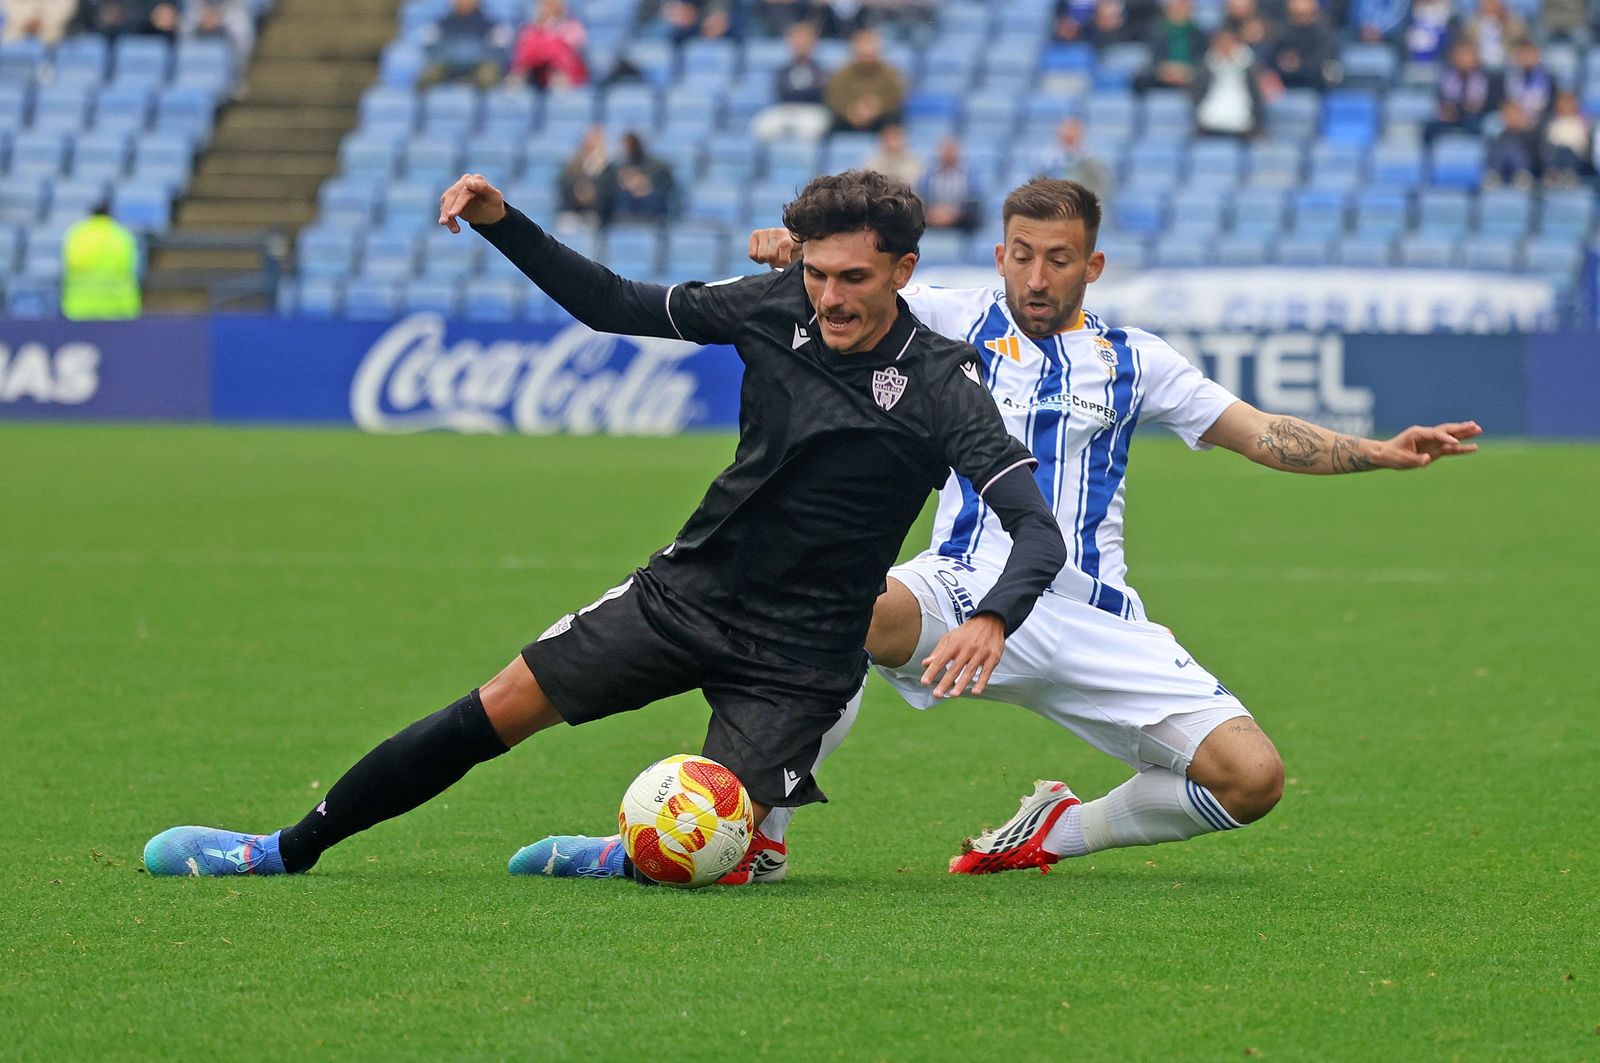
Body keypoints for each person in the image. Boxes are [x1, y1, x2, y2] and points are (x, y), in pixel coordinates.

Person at [520, 178, 1480, 884]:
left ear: (1090, 264)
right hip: (959, 584)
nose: (1035, 271)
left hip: (1091, 614)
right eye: (1020, 252)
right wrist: (790, 252)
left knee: (1252, 780)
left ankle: (1057, 830)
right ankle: (745, 825)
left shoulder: (1138, 361)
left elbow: (1263, 435)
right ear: (998, 255)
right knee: (838, 611)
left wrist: (1381, 452)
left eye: (1057, 256)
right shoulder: (943, 316)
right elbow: (832, 289)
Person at [139, 169, 1067, 880]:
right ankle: (282, 848)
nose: (829, 297)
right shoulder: (774, 305)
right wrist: (505, 224)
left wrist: (989, 617)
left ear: (904, 272)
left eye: (854, 278)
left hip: (802, 654)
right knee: (495, 707)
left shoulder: (946, 385)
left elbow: (1037, 532)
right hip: (688, 592)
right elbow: (612, 304)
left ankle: (637, 850)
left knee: (720, 846)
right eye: (817, 273)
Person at [750, 20, 833, 143]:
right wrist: (804, 93)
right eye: (796, 41)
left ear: (813, 44)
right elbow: (781, 92)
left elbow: (819, 93)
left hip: (812, 111)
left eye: (805, 41)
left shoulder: (821, 71)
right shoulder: (783, 70)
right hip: (786, 109)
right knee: (761, 127)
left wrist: (797, 93)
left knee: (810, 130)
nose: (800, 45)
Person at [61, 202, 141, 320]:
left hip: (81, 305)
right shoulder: (122, 235)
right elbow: (133, 266)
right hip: (117, 305)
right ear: (109, 215)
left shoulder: (77, 234)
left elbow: (70, 263)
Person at [824, 26, 904, 133]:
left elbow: (896, 96)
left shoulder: (890, 74)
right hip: (848, 118)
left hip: (880, 118)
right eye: (863, 55)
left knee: (894, 119)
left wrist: (876, 107)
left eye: (870, 55)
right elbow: (833, 97)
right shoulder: (841, 74)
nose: (866, 58)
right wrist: (851, 110)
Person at [420, 0, 509, 89]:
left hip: (479, 64)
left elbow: (498, 52)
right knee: (428, 75)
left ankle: (484, 101)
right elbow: (431, 49)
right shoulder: (441, 25)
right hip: (448, 64)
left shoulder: (489, 25)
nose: (463, 2)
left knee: (488, 74)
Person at [1194, 28, 1266, 137]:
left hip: (1244, 125)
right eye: (1222, 44)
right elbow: (1196, 93)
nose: (1226, 48)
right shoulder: (1205, 68)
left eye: (1229, 44)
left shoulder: (1251, 68)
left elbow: (1257, 96)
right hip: (1209, 123)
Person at [1426, 39, 1502, 142]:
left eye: (1468, 55)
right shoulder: (1446, 77)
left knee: (1477, 124)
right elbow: (1442, 101)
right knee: (1431, 128)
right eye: (1461, 55)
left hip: (1477, 116)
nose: (1465, 59)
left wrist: (1469, 107)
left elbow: (1489, 104)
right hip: (1451, 116)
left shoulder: (1488, 78)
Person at [597, 131, 676, 224]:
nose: (628, 148)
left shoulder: (658, 167)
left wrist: (644, 185)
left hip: (652, 216)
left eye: (631, 145)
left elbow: (667, 187)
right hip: (623, 217)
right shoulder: (617, 169)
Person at [508, 0, 587, 90]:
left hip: (565, 68)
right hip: (535, 68)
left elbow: (575, 43)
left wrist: (553, 32)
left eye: (552, 4)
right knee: (532, 43)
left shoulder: (572, 25)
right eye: (545, 5)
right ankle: (516, 83)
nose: (548, 8)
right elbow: (524, 41)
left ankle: (560, 86)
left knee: (555, 46)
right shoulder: (530, 28)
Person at [1137, 0, 1209, 91]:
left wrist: (1187, 72)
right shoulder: (1155, 31)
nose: (1182, 9)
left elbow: (1202, 60)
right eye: (1179, 5)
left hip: (1192, 81)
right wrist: (1166, 70)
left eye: (1186, 5)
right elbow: (1152, 59)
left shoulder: (1200, 34)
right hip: (1160, 79)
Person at [1267, 0, 1336, 92]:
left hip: (1314, 87)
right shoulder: (1279, 33)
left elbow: (1322, 64)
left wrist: (1299, 65)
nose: (1301, 5)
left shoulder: (1323, 34)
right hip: (1281, 87)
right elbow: (1269, 62)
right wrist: (1284, 64)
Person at [918, 136, 981, 233]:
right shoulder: (928, 175)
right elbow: (921, 197)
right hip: (932, 218)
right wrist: (933, 213)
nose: (948, 154)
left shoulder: (969, 176)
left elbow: (974, 201)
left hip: (960, 221)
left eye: (951, 151)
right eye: (945, 150)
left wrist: (954, 214)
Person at [556, 126, 610, 225]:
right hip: (572, 211)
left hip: (597, 214)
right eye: (589, 145)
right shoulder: (573, 165)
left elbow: (609, 193)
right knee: (566, 223)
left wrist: (595, 170)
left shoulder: (609, 168)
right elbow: (563, 186)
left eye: (596, 146)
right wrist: (577, 193)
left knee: (591, 220)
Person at [1542, 89, 1592, 185]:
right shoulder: (1552, 123)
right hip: (1555, 157)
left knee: (1567, 151)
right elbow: (1547, 143)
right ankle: (1553, 175)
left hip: (1576, 158)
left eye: (1569, 103)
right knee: (1558, 151)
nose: (1566, 106)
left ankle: (1570, 175)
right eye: (1563, 103)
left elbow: (1584, 146)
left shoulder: (1581, 123)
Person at [1486, 100, 1541, 186]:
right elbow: (1491, 157)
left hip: (1526, 173)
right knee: (1505, 145)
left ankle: (1521, 177)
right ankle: (1493, 177)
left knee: (1513, 147)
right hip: (1501, 172)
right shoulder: (1499, 137)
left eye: (1514, 114)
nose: (1512, 117)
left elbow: (1537, 159)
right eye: (1508, 114)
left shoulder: (1531, 136)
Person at [2, 0, 75, 43]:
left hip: (51, 31)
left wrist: (43, 20)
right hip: (18, 30)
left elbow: (66, 6)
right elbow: (10, 6)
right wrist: (27, 19)